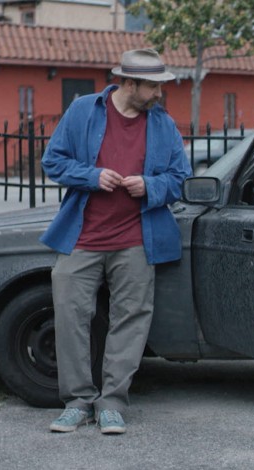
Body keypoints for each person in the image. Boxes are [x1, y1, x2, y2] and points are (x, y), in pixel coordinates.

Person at [40, 48, 191, 434]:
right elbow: (52, 161)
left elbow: (180, 177)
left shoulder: (163, 123)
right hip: (83, 237)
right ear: (128, 83)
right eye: (153, 87)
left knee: (131, 320)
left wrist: (151, 185)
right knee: (71, 317)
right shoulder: (83, 111)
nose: (159, 94)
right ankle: (77, 402)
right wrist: (92, 176)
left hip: (138, 239)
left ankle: (112, 404)